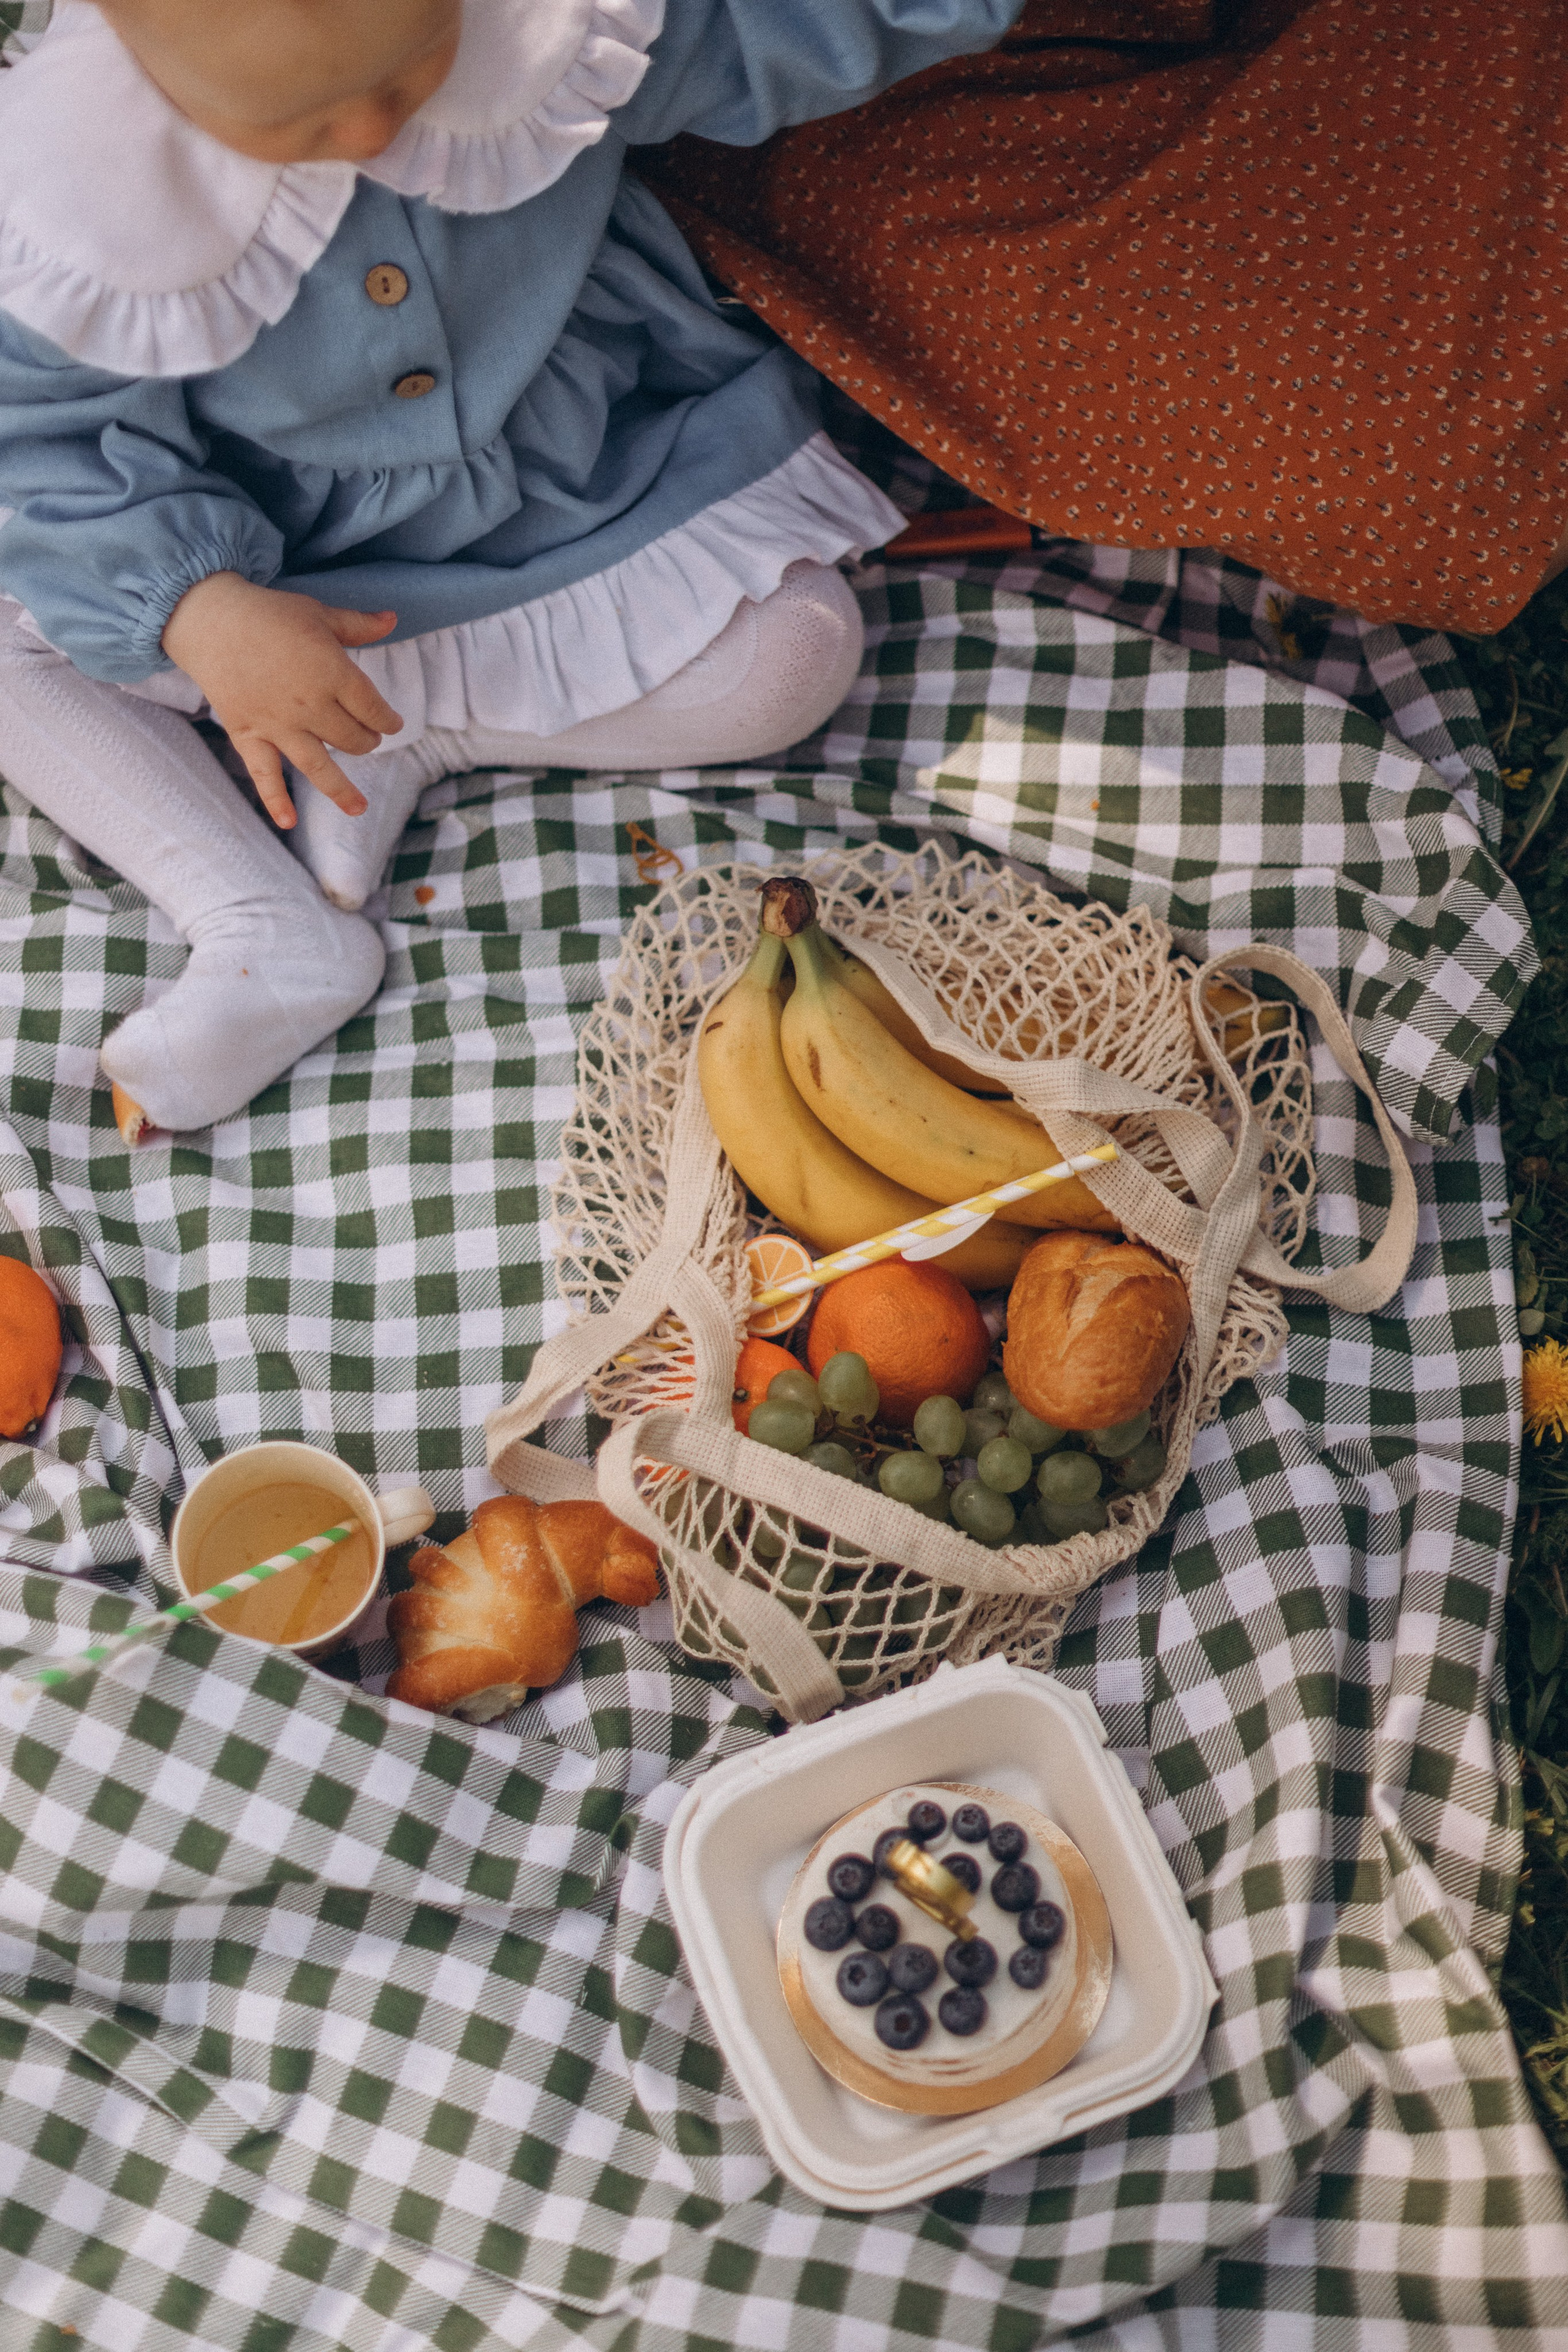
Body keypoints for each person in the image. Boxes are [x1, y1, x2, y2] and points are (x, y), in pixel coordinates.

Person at [0, 0, 1024, 1140]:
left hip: (575, 486)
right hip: (271, 549)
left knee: (800, 650)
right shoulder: (71, 182)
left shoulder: (549, 31)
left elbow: (780, 34)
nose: (373, 130)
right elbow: (46, 448)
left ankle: (412, 727)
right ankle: (252, 914)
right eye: (296, 118)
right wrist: (197, 607)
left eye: (410, 67)